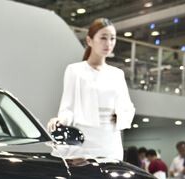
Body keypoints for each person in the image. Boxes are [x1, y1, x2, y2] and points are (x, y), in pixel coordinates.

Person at [47, 18, 135, 160]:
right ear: (89, 40)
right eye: (103, 38)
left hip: (110, 142)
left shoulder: (117, 74)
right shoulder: (75, 70)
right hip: (84, 141)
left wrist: (119, 117)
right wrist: (60, 120)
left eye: (112, 38)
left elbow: (128, 108)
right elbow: (67, 107)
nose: (108, 43)